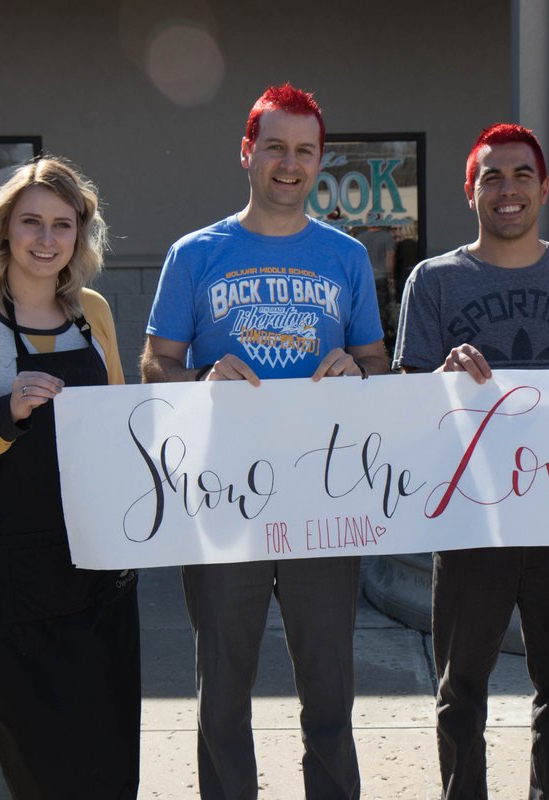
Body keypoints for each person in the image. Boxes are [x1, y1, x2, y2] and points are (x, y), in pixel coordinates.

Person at [141, 82, 387, 800]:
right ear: (248, 152)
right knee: (222, 688)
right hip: (223, 499)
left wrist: (355, 368)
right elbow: (155, 363)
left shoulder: (344, 256)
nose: (289, 163)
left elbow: (376, 362)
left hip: (323, 494)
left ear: (319, 161)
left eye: (304, 151)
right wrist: (198, 375)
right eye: (274, 147)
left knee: (330, 691)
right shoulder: (195, 254)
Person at [393, 123, 549, 799]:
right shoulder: (433, 281)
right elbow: (407, 404)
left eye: (521, 175)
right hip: (469, 524)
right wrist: (440, 377)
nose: (508, 189)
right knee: (460, 695)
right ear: (470, 191)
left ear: (544, 188)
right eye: (492, 176)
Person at [0, 155, 141, 799]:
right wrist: (3, 413)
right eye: (31, 221)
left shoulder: (92, 311)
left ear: (80, 235)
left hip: (91, 548)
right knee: (18, 713)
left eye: (62, 225)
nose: (46, 239)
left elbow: (119, 415)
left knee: (100, 711)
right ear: (3, 228)